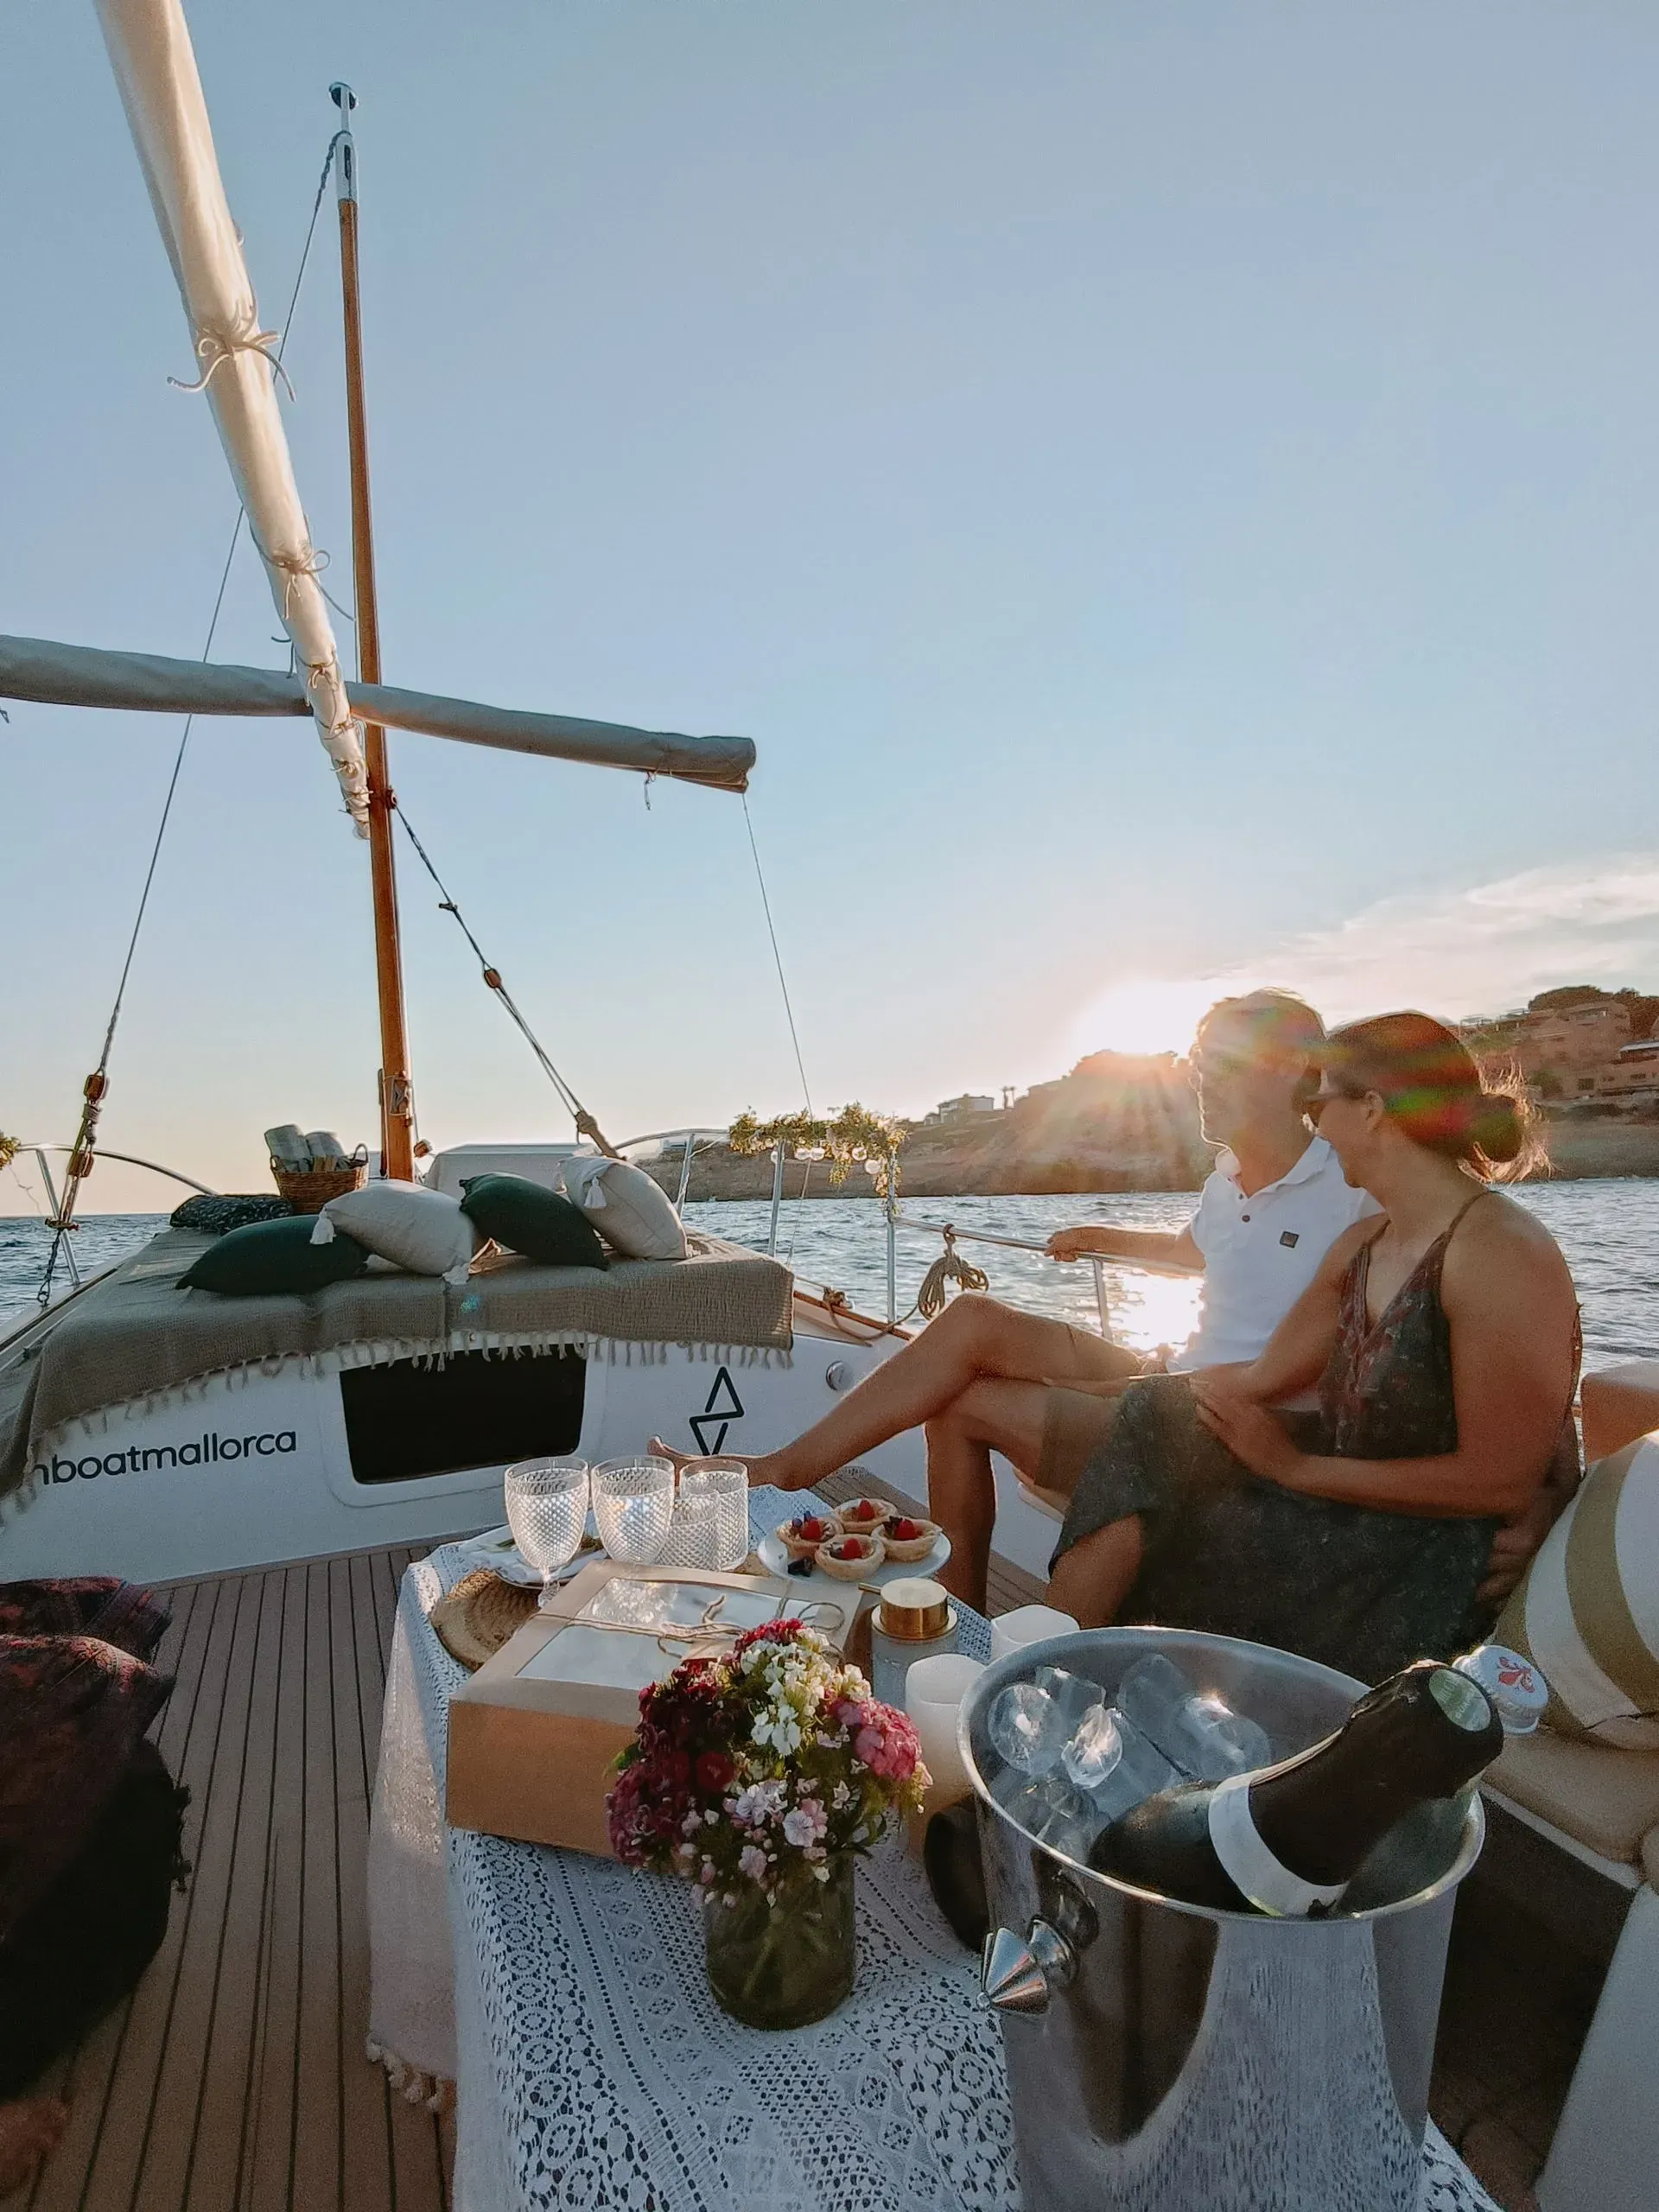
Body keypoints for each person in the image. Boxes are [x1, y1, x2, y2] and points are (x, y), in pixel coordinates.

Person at [662, 990, 1506, 1613]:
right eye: (1195, 1058)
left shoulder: (1357, 1187)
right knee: (972, 1322)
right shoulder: (1226, 1179)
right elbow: (1205, 1251)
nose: (1196, 1076)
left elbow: (1456, 1304)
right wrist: (1107, 1233)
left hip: (1222, 1408)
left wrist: (1534, 1501)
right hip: (1178, 1372)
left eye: (1217, 1060)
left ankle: (956, 1616)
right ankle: (788, 1468)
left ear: (1289, 1071)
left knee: (959, 1408)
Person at [1046, 1014, 1580, 1681]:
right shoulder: (1364, 1247)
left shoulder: (1499, 1252)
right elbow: (1264, 1376)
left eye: (1320, 1102)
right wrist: (1110, 1394)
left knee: (1209, 1540)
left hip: (1419, 1547)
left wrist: (1294, 1471)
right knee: (1154, 1417)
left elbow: (1500, 1477)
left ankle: (1072, 1678)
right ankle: (1056, 1668)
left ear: (1372, 1109)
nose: (1316, 1125)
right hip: (1338, 1502)